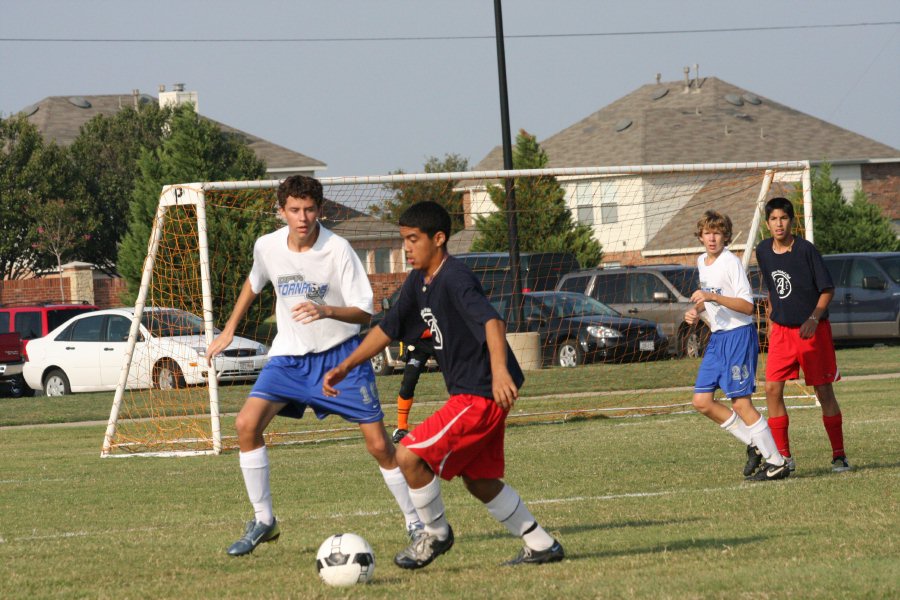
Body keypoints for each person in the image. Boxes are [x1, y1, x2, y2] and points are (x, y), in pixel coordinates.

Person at [323, 201, 564, 569]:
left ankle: (434, 534)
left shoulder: (455, 277)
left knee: (408, 454)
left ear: (439, 239)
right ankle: (541, 543)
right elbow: (387, 329)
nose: (406, 247)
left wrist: (499, 372)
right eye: (403, 239)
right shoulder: (418, 283)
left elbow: (493, 323)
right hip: (473, 392)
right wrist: (346, 365)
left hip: (481, 393)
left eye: (413, 239)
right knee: (479, 479)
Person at [206, 175, 421, 557]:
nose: (302, 218)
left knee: (379, 446)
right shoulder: (267, 246)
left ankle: (416, 522)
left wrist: (326, 310)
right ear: (281, 211)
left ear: (320, 210)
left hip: (341, 358)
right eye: (294, 210)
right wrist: (229, 329)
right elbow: (254, 284)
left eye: (309, 209)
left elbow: (365, 313)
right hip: (288, 358)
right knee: (245, 425)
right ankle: (264, 520)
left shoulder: (338, 249)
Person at [685, 211, 789, 481]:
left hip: (738, 336)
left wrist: (710, 297)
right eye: (707, 232)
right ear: (700, 236)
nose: (712, 238)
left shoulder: (731, 263)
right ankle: (753, 442)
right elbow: (710, 301)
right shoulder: (702, 262)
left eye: (717, 233)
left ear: (726, 237)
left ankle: (777, 462)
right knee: (702, 401)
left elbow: (746, 306)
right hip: (718, 338)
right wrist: (697, 311)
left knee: (741, 404)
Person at [756, 197, 850, 473]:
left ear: (791, 221)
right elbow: (772, 289)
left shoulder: (806, 250)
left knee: (823, 391)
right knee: (772, 389)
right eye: (773, 219)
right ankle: (783, 457)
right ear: (767, 223)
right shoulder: (763, 251)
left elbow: (827, 289)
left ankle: (839, 455)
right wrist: (773, 323)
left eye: (783, 218)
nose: (779, 223)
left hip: (812, 331)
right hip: (782, 333)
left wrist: (813, 317)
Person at [391, 327, 436, 443]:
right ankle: (401, 428)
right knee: (408, 383)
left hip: (440, 340)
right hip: (418, 343)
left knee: (453, 380)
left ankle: (460, 424)